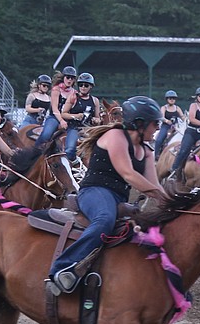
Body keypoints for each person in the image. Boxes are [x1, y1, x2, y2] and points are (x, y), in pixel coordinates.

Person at [45, 95, 168, 295]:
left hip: (118, 198)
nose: (157, 129)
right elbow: (129, 174)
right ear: (139, 124)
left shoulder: (146, 150)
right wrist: (161, 197)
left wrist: (171, 203)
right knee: (104, 220)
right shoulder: (116, 137)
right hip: (94, 192)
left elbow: (154, 184)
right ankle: (62, 269)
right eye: (155, 124)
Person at [168, 86, 200, 181]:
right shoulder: (193, 106)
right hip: (191, 132)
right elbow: (192, 119)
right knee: (184, 150)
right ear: (197, 97)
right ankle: (174, 170)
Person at [59, 72, 101, 162]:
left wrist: (96, 120)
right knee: (69, 150)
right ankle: (71, 168)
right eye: (81, 85)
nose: (83, 87)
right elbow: (63, 114)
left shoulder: (95, 100)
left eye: (86, 85)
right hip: (74, 128)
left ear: (91, 87)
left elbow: (98, 118)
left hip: (89, 129)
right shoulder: (73, 97)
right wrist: (75, 116)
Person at [34, 66, 78, 147]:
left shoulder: (75, 92)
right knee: (46, 134)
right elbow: (55, 109)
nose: (69, 80)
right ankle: (34, 152)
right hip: (54, 117)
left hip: (68, 118)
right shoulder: (56, 89)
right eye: (68, 77)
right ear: (63, 77)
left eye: (72, 78)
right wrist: (61, 121)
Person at [153, 90, 184, 157]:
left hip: (176, 127)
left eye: (173, 98)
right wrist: (167, 121)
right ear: (167, 99)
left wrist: (186, 120)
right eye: (170, 98)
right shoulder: (164, 108)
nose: (172, 100)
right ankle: (156, 155)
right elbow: (162, 117)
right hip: (166, 126)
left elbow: (182, 117)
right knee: (159, 139)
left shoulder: (177, 108)